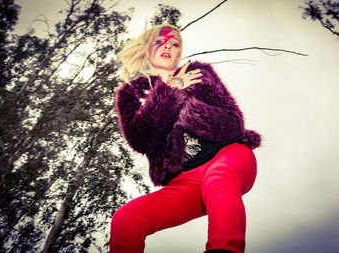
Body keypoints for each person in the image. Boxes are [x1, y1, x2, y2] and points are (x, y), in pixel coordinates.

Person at [110, 24, 261, 253]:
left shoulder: (199, 73)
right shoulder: (131, 93)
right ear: (146, 51)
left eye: (175, 44)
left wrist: (180, 102)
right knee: (127, 217)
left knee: (218, 177)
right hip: (185, 180)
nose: (169, 46)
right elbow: (140, 140)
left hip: (229, 157)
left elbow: (233, 124)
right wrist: (170, 93)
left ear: (179, 54)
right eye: (161, 42)